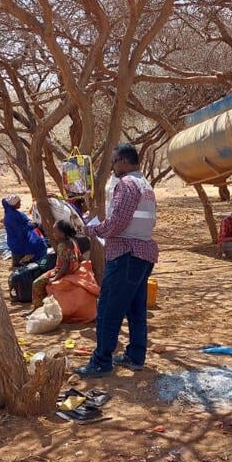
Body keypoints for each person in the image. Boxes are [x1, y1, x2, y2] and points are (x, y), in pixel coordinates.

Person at [75, 143, 158, 377]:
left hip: (126, 254)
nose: (112, 167)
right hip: (143, 254)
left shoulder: (127, 184)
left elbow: (118, 222)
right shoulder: (145, 185)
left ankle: (101, 361)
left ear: (122, 161)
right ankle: (135, 355)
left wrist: (93, 230)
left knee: (108, 309)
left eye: (113, 162)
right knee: (135, 309)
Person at [31, 220, 82, 309]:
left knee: (36, 284)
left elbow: (65, 266)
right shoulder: (73, 241)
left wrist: (55, 278)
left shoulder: (62, 245)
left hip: (60, 271)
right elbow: (79, 257)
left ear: (62, 234)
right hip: (73, 270)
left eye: (55, 232)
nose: (53, 234)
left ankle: (37, 309)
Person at [2, 194, 48, 267]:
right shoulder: (13, 216)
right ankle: (38, 262)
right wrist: (33, 225)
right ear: (14, 204)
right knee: (41, 244)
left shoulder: (11, 213)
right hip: (19, 241)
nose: (20, 203)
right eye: (18, 202)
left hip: (15, 240)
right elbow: (20, 230)